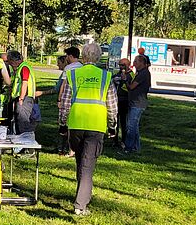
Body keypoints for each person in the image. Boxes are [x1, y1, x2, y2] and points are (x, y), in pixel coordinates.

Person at [58, 43, 118, 216]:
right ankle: (80, 204)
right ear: (99, 58)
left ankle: (82, 194)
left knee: (81, 161)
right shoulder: (106, 76)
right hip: (96, 125)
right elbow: (112, 106)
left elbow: (65, 103)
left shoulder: (73, 74)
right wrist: (112, 127)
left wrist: (63, 124)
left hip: (76, 123)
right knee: (87, 164)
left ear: (83, 57)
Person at [123, 54, 152, 153]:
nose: (134, 64)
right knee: (134, 126)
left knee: (131, 126)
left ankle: (128, 148)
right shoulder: (139, 73)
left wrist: (125, 80)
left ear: (141, 63)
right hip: (135, 102)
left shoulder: (143, 73)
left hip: (138, 103)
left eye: (136, 61)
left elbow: (131, 87)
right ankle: (136, 147)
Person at [5, 50, 37, 134]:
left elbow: (24, 82)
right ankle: (22, 141)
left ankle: (25, 142)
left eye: (10, 62)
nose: (10, 64)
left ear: (14, 61)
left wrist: (21, 98)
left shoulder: (24, 67)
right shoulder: (20, 68)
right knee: (19, 121)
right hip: (22, 98)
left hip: (25, 98)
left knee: (23, 121)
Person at [111, 58, 132, 149]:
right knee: (115, 121)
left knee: (123, 122)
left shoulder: (131, 74)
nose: (121, 67)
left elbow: (129, 87)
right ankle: (114, 140)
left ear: (128, 65)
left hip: (125, 100)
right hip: (116, 99)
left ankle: (123, 140)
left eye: (123, 65)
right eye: (119, 65)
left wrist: (123, 80)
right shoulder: (118, 73)